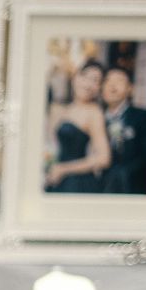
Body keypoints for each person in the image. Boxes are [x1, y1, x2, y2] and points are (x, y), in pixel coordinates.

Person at [45, 60, 111, 194]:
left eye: (95, 80)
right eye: (84, 76)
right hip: (56, 178)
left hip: (76, 182)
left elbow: (104, 158)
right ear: (75, 77)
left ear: (99, 88)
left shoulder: (94, 113)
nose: (88, 84)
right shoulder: (63, 108)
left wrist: (64, 169)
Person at [99, 66, 146, 195]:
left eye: (119, 80)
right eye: (107, 81)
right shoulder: (97, 118)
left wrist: (120, 176)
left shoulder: (145, 117)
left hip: (132, 189)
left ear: (130, 89)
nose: (112, 85)